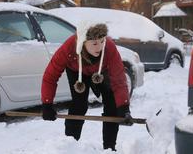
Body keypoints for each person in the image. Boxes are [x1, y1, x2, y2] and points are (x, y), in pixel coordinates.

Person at [41, 21, 132, 151]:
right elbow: (50, 76)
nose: (99, 47)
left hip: (101, 71)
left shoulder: (109, 47)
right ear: (83, 42)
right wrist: (47, 104)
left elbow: (119, 80)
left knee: (112, 105)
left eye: (101, 41)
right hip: (76, 71)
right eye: (94, 43)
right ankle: (70, 146)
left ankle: (110, 148)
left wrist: (124, 108)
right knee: (79, 105)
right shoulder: (68, 49)